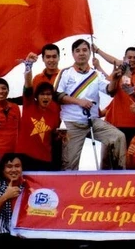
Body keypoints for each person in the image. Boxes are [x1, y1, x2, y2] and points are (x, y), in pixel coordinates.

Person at [54, 38, 127, 170]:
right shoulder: (66, 73)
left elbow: (109, 91)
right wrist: (79, 102)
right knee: (69, 165)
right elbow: (58, 95)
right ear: (73, 54)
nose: (81, 53)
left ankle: (119, 175)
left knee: (118, 138)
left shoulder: (96, 74)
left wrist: (115, 79)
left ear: (89, 53)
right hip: (72, 123)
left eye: (84, 50)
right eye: (78, 51)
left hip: (93, 121)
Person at [15, 52, 63, 171]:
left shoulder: (55, 111)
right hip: (24, 157)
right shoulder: (29, 104)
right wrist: (28, 67)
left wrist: (60, 136)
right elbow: (28, 84)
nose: (45, 97)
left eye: (48, 94)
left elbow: (54, 136)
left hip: (45, 160)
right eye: (42, 94)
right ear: (36, 96)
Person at [0, 153, 25, 248]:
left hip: (25, 237)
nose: (14, 170)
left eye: (17, 166)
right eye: (9, 166)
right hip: (1, 239)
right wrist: (5, 196)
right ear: (3, 170)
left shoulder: (29, 187)